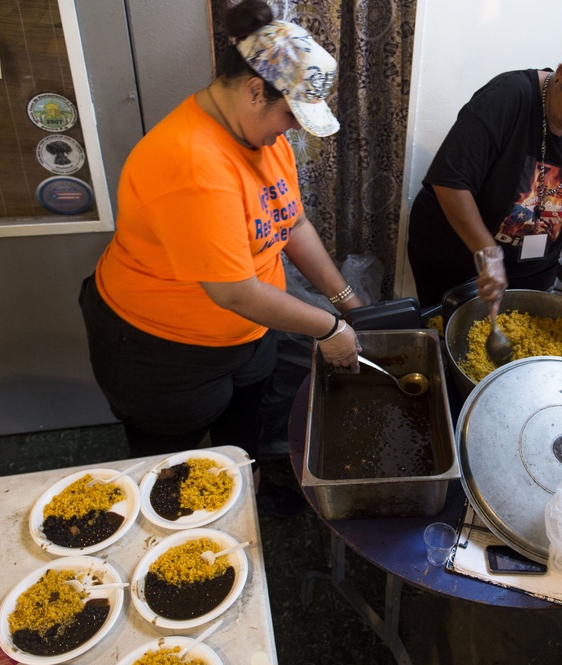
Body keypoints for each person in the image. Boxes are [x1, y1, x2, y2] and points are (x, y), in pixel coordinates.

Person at [78, 0, 364, 514]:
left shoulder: (259, 134)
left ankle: (243, 500)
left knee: (241, 441)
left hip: (246, 333)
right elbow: (232, 290)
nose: (292, 131)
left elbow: (291, 221)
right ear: (255, 90)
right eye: (289, 116)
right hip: (163, 350)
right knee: (171, 474)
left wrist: (347, 299)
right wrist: (328, 328)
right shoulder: (191, 161)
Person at [407, 16, 562, 310]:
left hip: (532, 272)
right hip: (457, 260)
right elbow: (450, 181)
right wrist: (487, 252)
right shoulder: (508, 97)